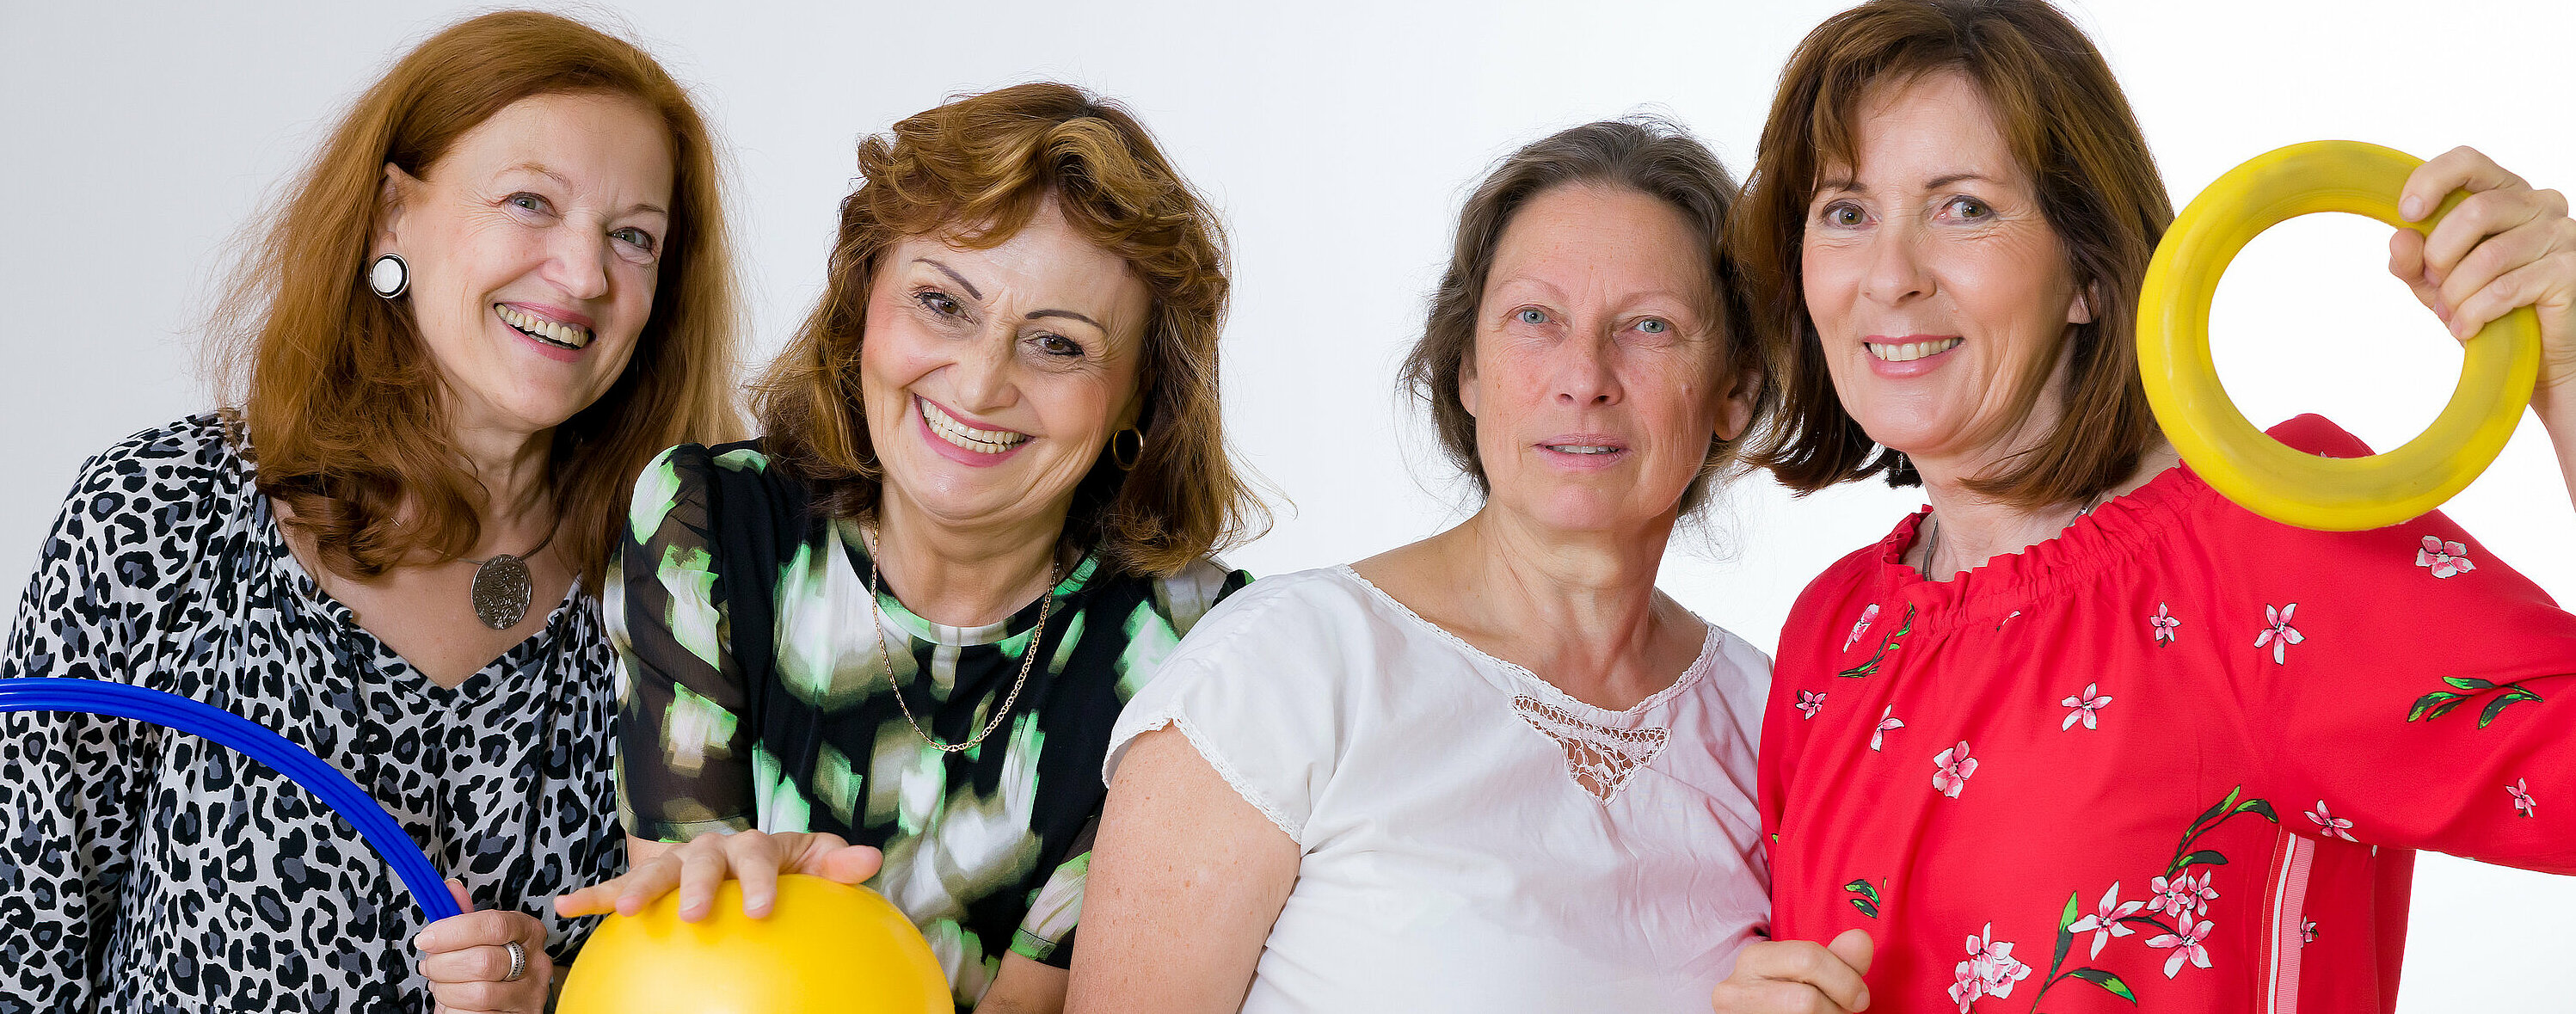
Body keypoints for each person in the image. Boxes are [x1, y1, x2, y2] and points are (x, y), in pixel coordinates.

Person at [1708, 2, 2576, 1011]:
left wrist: (2569, 374)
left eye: (1964, 208)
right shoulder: (1835, 628)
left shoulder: (2262, 542)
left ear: (2086, 270)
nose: (1889, 278)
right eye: (1846, 212)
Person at [0, 10, 744, 1013]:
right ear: (393, 216)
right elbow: (22, 956)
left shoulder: (681, 600)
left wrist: (554, 1001)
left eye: (632, 237)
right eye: (530, 202)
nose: (583, 275)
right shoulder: (160, 515)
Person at [554, 83, 1264, 1013]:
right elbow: (693, 964)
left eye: (1057, 345)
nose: (979, 382)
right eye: (941, 303)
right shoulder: (709, 523)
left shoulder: (1195, 645)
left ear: (1140, 394)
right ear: (861, 303)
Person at [1063, 120, 1773, 1013]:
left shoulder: (1775, 723)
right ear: (1468, 368)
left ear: (1734, 389)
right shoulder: (1282, 670)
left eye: (1649, 326)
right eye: (1534, 318)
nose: (1584, 376)